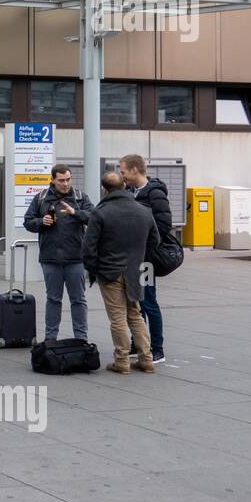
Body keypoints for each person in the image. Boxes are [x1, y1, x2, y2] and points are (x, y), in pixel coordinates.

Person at [82, 171, 159, 375]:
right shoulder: (144, 211)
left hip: (109, 272)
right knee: (135, 314)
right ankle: (146, 359)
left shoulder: (101, 212)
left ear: (104, 189)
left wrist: (93, 270)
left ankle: (122, 361)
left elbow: (89, 248)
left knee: (117, 318)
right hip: (136, 271)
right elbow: (155, 241)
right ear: (125, 186)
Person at [23, 163, 93, 343]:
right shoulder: (41, 198)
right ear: (52, 180)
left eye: (68, 179)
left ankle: (81, 338)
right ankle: (50, 338)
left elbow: (93, 218)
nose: (65, 183)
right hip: (50, 258)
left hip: (75, 258)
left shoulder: (79, 197)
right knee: (53, 299)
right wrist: (41, 221)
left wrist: (75, 213)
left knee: (78, 300)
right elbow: (28, 222)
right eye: (61, 180)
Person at [119, 154, 172, 363]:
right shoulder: (130, 192)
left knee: (148, 301)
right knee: (135, 302)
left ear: (134, 170)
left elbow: (164, 225)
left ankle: (157, 348)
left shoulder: (154, 193)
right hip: (132, 258)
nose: (121, 175)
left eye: (123, 171)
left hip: (146, 258)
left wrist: (142, 241)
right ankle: (138, 343)